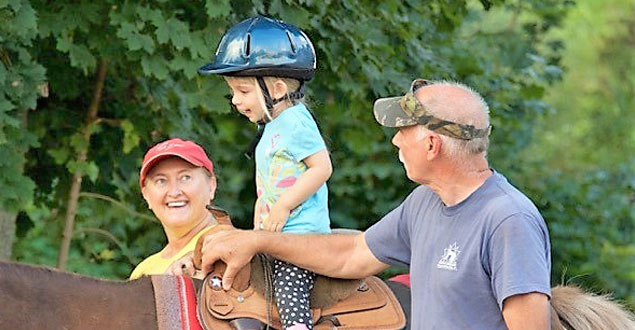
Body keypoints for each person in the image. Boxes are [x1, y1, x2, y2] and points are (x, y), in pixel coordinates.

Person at [199, 79, 552, 329]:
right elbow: (350, 254)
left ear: (432, 146)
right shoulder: (424, 203)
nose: (396, 140)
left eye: (404, 130)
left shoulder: (508, 220)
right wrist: (258, 240)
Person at [198, 16, 332, 330]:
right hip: (276, 236)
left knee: (288, 287)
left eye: (243, 90)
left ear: (277, 88)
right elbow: (275, 177)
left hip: (302, 237)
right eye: (232, 91)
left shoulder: (296, 121)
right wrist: (264, 206)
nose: (235, 100)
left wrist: (283, 206)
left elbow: (322, 166)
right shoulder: (274, 127)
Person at [129, 138, 217, 280]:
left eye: (185, 178)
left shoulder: (226, 245)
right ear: (145, 195)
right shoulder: (142, 271)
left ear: (211, 186)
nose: (174, 192)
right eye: (161, 181)